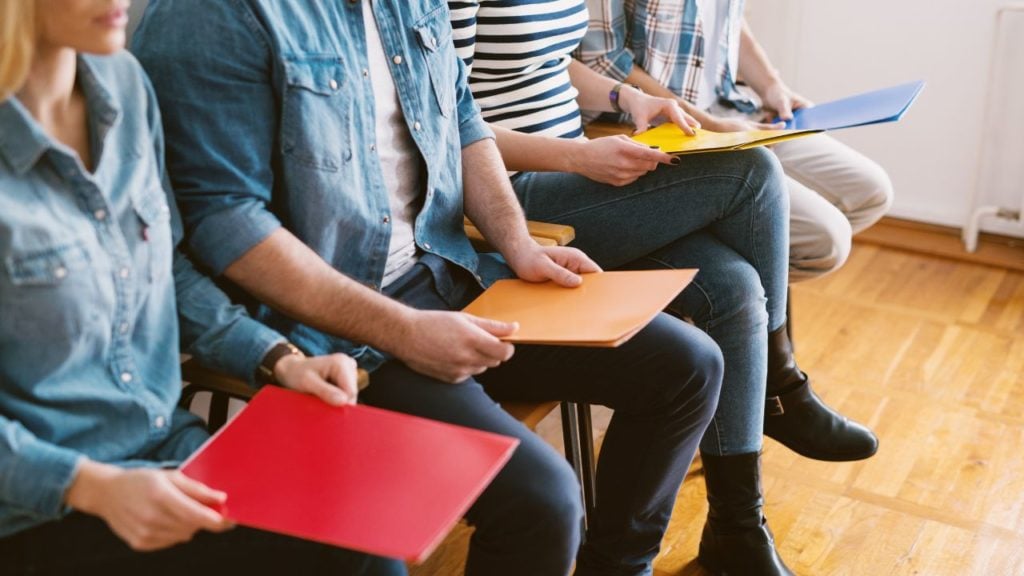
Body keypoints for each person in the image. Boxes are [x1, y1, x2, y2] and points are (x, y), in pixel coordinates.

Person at [132, 1, 724, 575]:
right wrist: (404, 330)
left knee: (689, 366)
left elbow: (460, 118)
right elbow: (223, 220)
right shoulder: (210, 13)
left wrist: (517, 243)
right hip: (339, 334)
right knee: (542, 502)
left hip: (449, 273)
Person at [446, 1, 877, 574]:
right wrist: (578, 156)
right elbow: (446, 122)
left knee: (737, 287)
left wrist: (626, 98)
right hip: (511, 193)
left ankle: (737, 528)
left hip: (575, 170)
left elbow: (545, 61)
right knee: (752, 171)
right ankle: (783, 388)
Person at [0, 1, 404, 574]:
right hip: (39, 510)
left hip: (168, 453)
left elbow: (167, 269)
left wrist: (277, 359)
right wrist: (89, 487)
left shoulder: (124, 84)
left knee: (363, 529)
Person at [578, 0, 894, 282]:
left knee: (869, 191)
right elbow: (603, 60)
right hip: (654, 129)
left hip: (729, 110)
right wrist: (708, 124)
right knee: (823, 241)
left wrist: (771, 86)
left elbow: (732, 20)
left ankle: (735, 292)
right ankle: (725, 303)